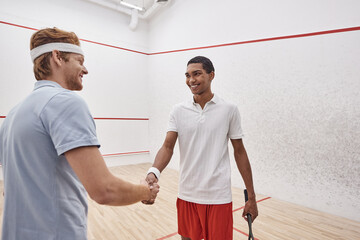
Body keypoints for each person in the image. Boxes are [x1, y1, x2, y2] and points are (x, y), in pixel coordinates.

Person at [0, 27, 159, 240]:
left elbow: (9, 189)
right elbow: (104, 189)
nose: (85, 70)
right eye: (79, 60)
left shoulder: (13, 115)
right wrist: (145, 191)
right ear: (57, 56)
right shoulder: (65, 102)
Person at [145, 56, 258, 240]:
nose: (191, 80)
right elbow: (167, 147)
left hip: (218, 197)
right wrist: (153, 172)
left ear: (211, 75)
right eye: (188, 75)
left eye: (197, 74)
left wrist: (251, 197)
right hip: (187, 194)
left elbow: (239, 152)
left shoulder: (229, 109)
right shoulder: (178, 110)